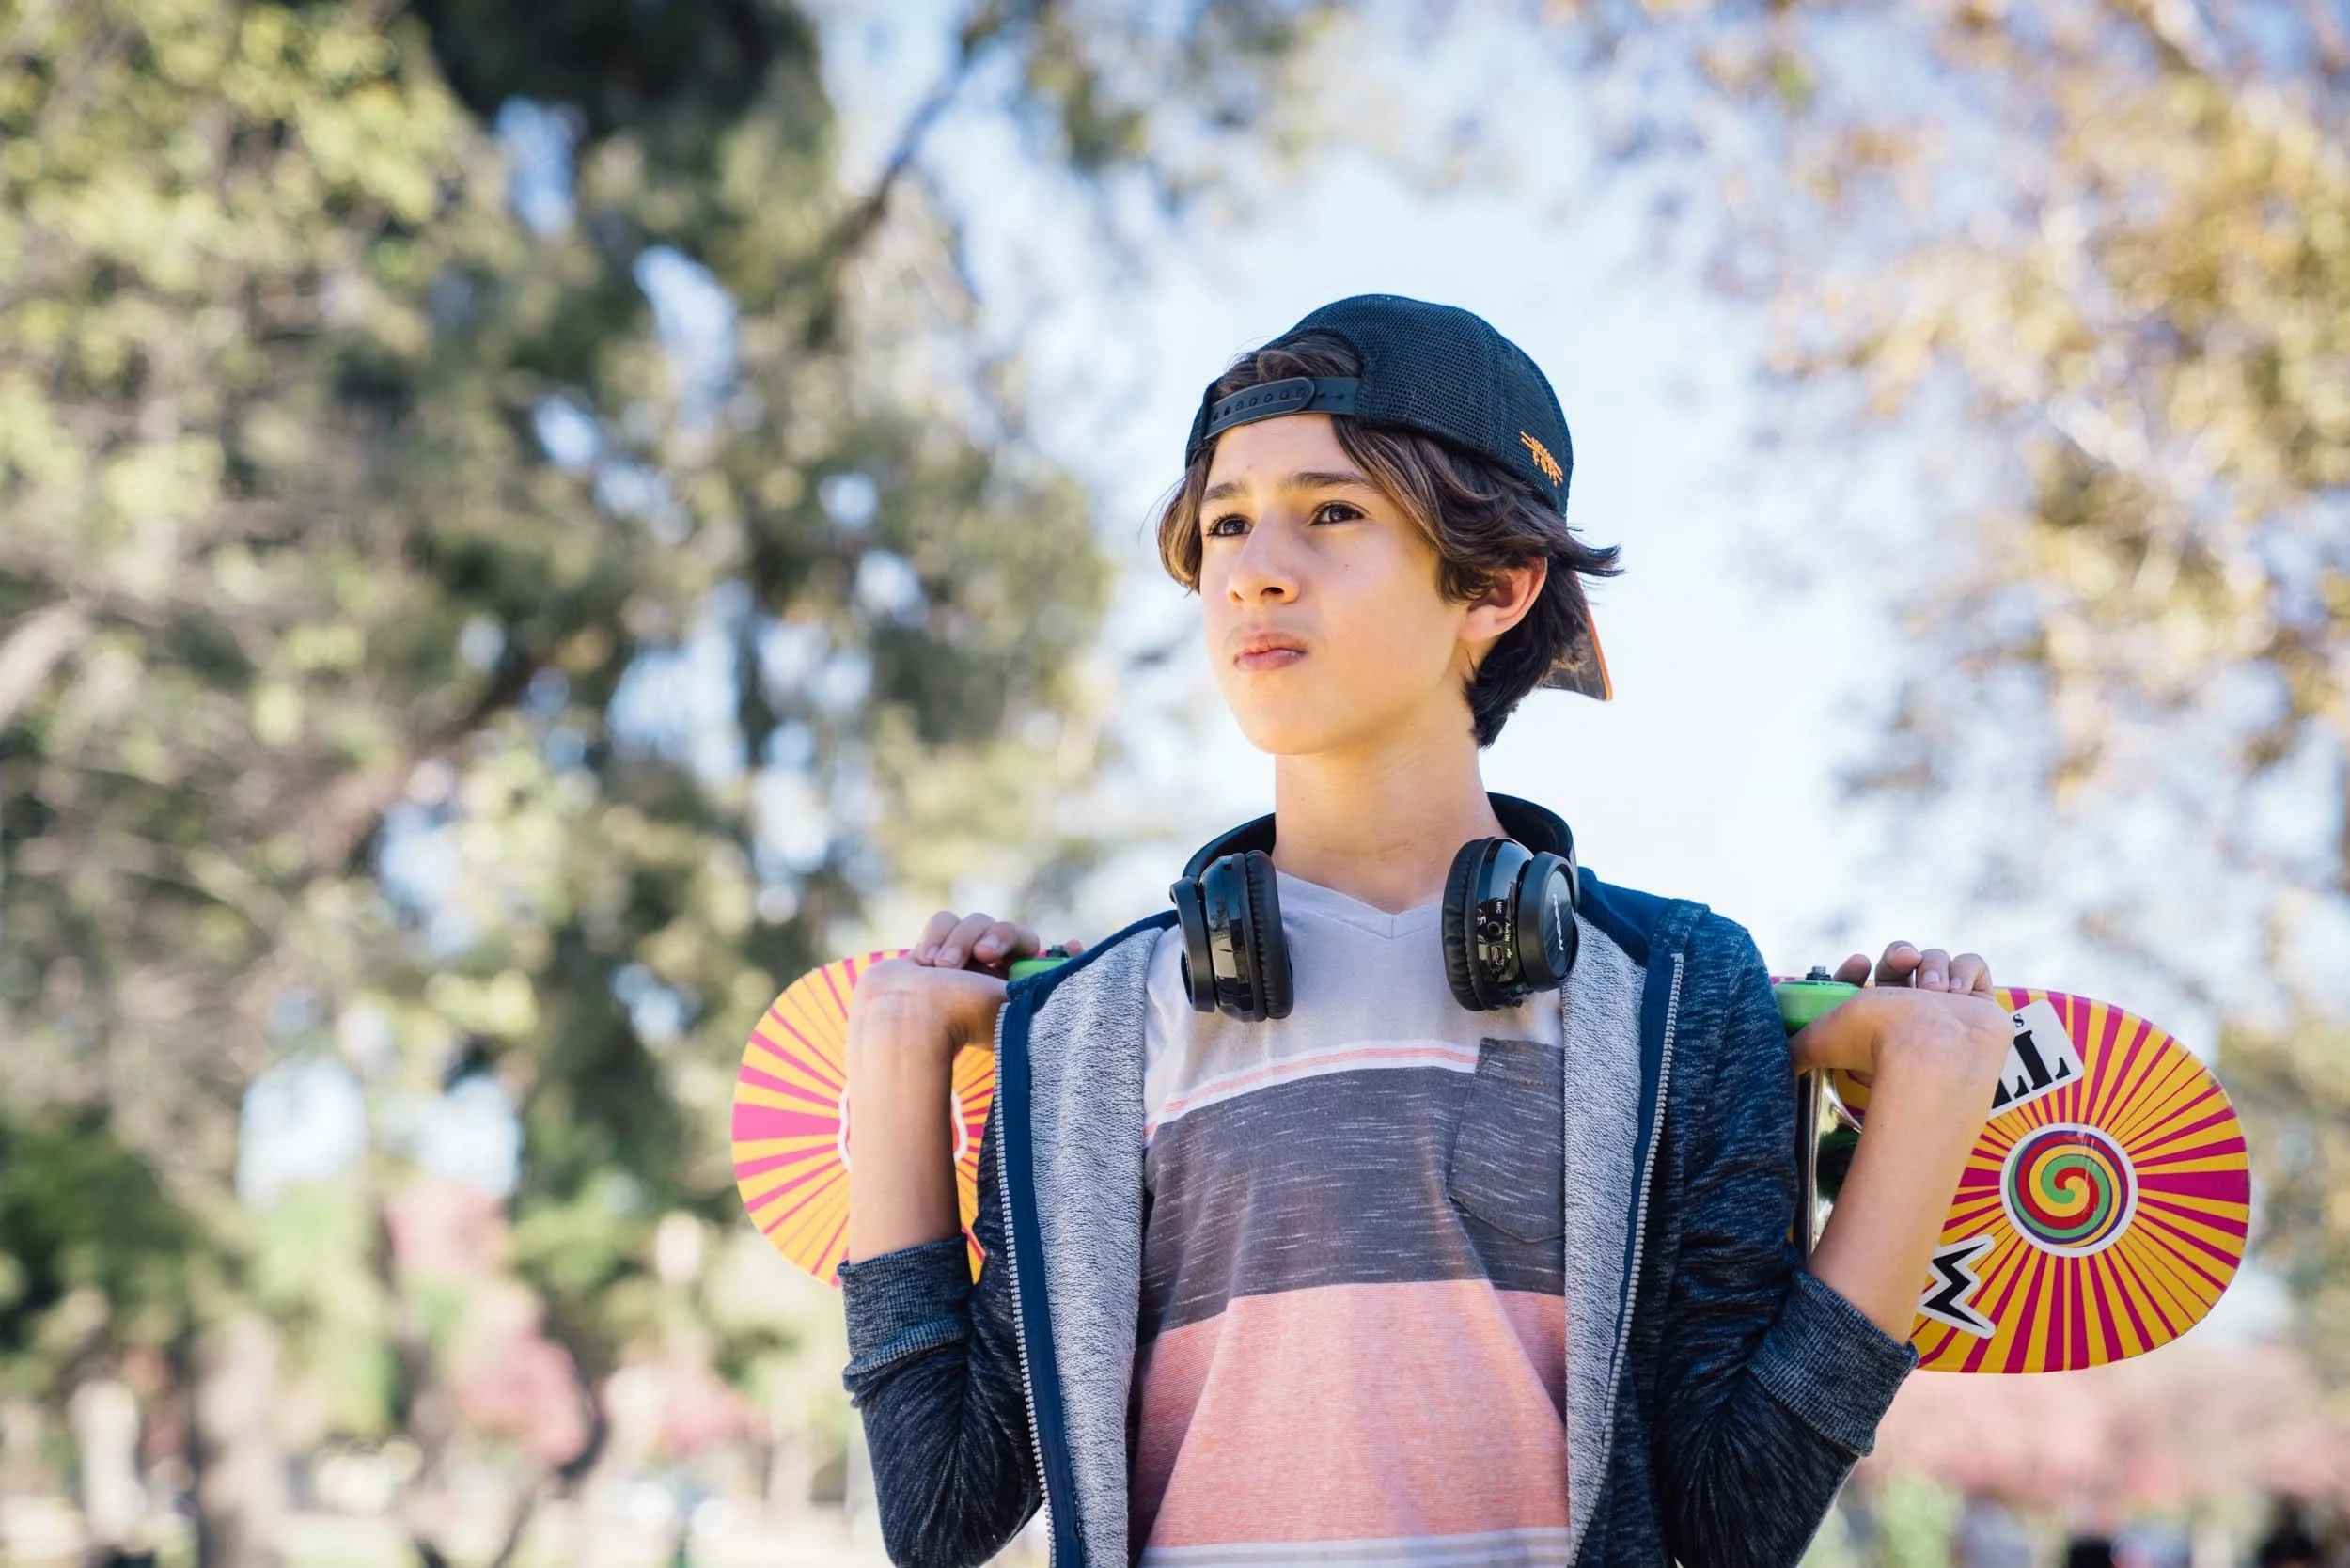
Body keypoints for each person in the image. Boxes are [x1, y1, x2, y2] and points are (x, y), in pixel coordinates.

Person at [834, 295, 2013, 1568]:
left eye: (1332, 512)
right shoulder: (1090, 1029)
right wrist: (896, 1056)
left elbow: (1737, 1524)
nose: (1255, 569)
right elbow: (942, 1519)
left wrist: (1924, 1112)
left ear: (1497, 583)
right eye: (1226, 522)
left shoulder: (1675, 992)